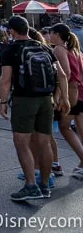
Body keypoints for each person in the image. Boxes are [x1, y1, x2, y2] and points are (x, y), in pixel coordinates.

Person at [0, 16, 69, 200]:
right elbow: (61, 75)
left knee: (22, 143)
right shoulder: (44, 47)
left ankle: (31, 185)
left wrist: (3, 102)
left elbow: (5, 80)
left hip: (24, 99)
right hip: (46, 99)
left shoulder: (11, 49)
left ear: (12, 31)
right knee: (44, 143)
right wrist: (65, 98)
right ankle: (45, 185)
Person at [48, 24, 83, 178]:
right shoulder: (75, 49)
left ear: (57, 35)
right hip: (81, 92)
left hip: (71, 93)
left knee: (65, 127)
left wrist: (60, 95)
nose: (49, 36)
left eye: (50, 33)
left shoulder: (58, 49)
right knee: (80, 129)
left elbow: (65, 73)